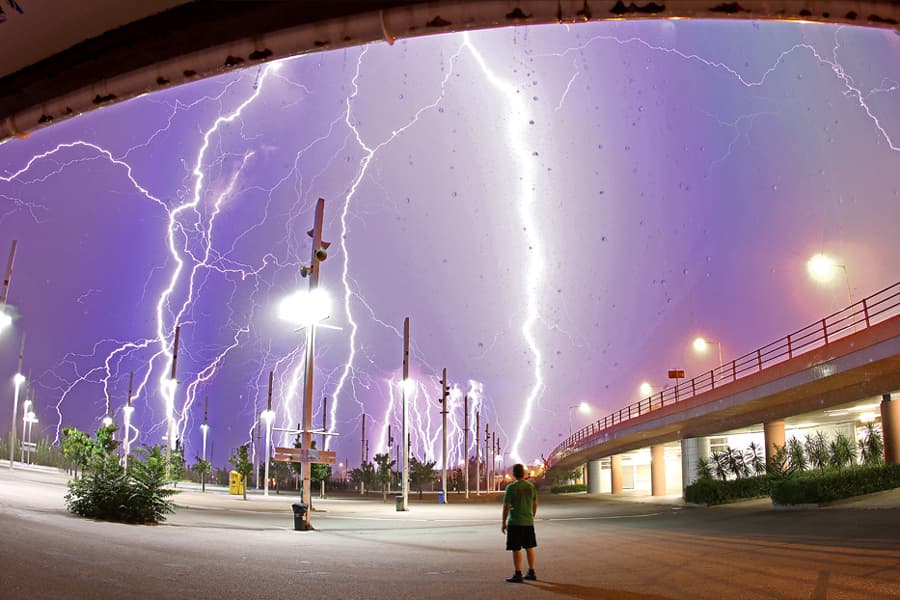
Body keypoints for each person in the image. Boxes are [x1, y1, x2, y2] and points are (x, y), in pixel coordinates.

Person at [501, 463, 538, 583]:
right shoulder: (531, 486)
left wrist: (503, 522)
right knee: (529, 546)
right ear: (524, 473)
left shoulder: (511, 488)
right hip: (528, 521)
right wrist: (532, 515)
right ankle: (531, 571)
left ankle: (518, 573)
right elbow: (535, 503)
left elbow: (506, 506)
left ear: (514, 474)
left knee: (516, 548)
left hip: (515, 522)